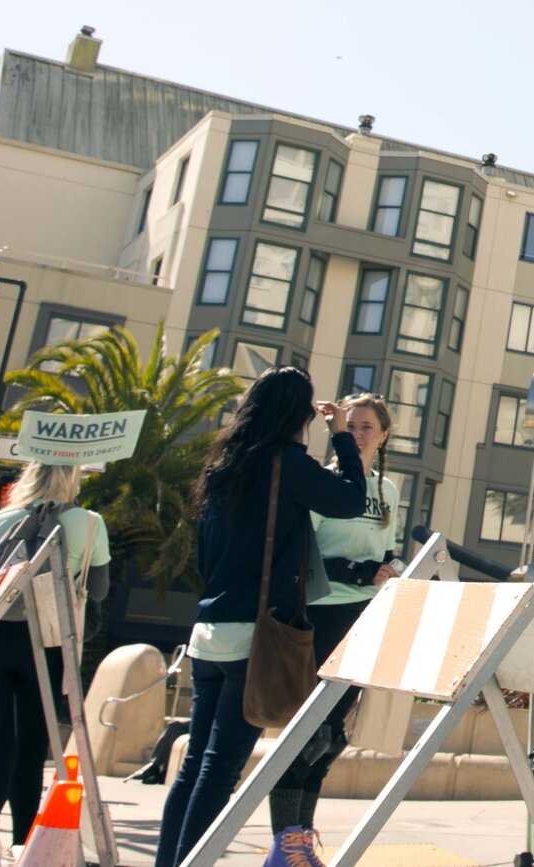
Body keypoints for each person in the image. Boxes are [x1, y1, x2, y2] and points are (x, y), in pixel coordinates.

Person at [153, 368, 366, 867]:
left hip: (208, 632)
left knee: (193, 771)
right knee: (218, 773)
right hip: (256, 637)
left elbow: (204, 561)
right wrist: (342, 439)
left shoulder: (223, 466)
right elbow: (351, 498)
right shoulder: (287, 463)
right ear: (298, 414)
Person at [267, 394, 405, 846]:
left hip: (365, 613)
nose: (359, 434)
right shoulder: (324, 483)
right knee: (307, 736)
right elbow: (308, 553)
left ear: (384, 435)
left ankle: (302, 837)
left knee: (331, 739)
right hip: (323, 612)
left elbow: (385, 550)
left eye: (368, 427)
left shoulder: (388, 491)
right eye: (352, 427)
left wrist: (387, 570)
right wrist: (359, 571)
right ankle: (286, 842)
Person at [0, 464, 111, 847]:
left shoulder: (1, 518)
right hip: (46, 640)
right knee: (31, 745)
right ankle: (24, 841)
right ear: (72, 479)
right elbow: (98, 590)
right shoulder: (89, 521)